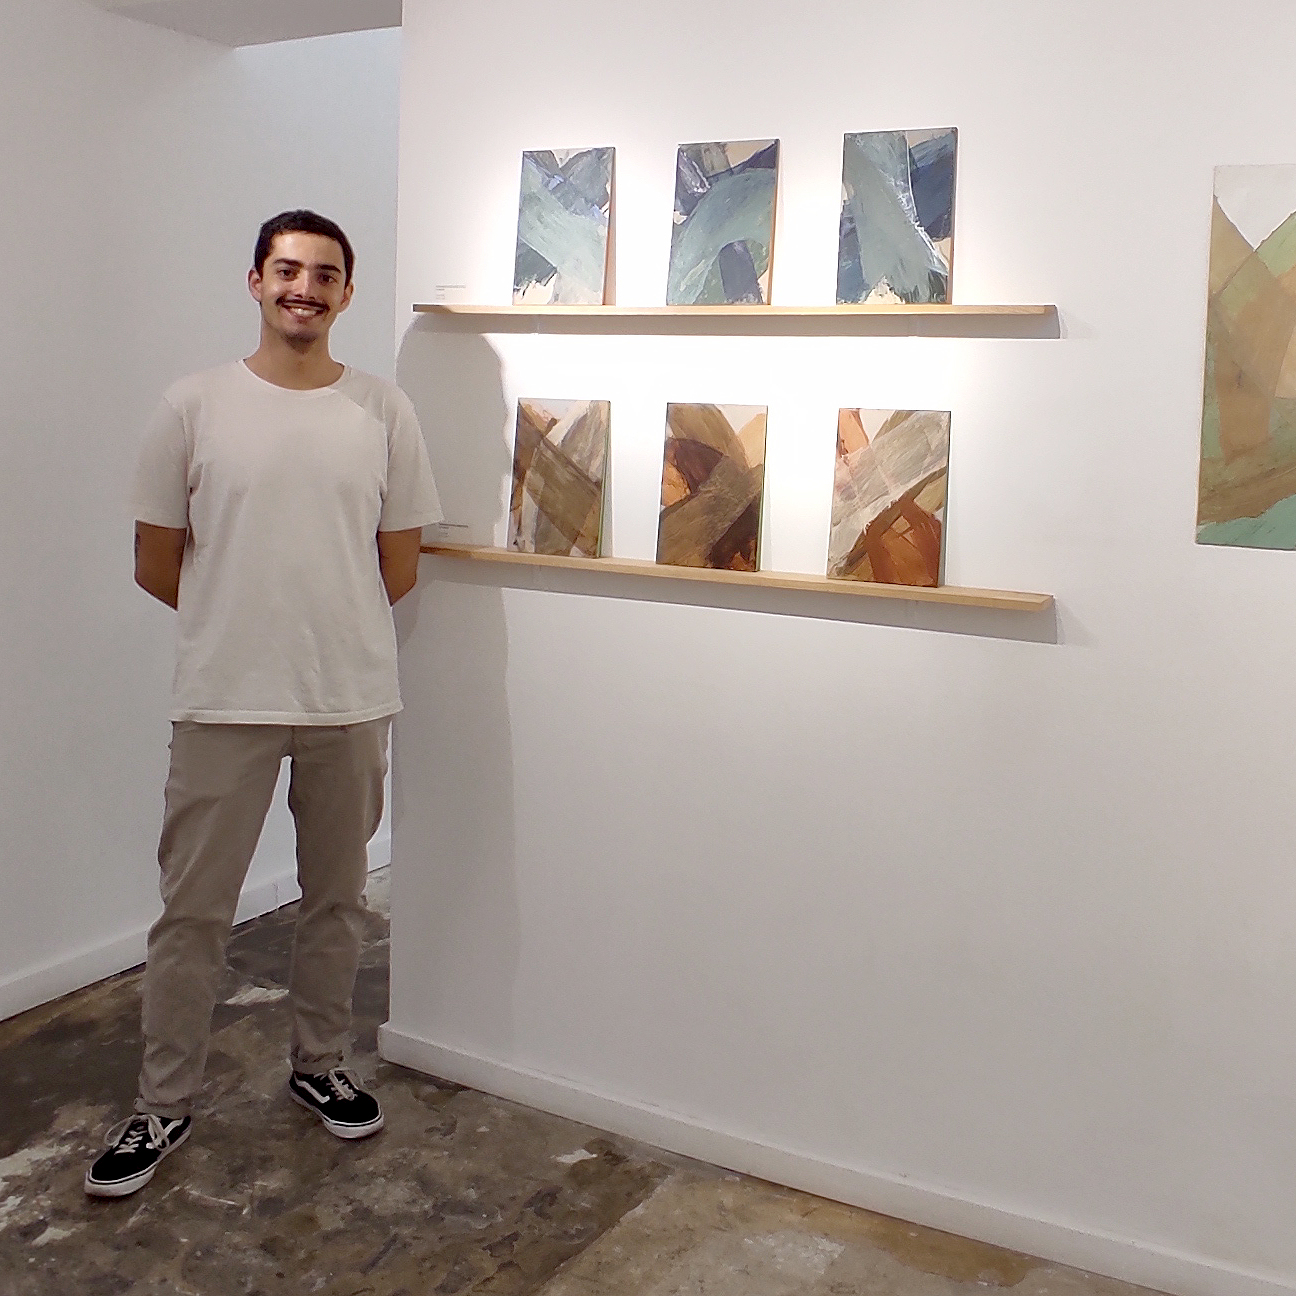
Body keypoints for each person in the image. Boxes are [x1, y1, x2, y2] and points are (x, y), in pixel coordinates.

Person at [85, 210, 442, 1198]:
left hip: (348, 698)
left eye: (325, 274)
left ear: (347, 294)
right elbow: (158, 561)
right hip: (222, 701)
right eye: (288, 269)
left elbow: (399, 563)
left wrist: (324, 625)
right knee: (193, 913)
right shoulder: (192, 406)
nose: (304, 288)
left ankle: (319, 1063)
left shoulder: (382, 412)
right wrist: (240, 624)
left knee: (336, 901)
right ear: (255, 281)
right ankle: (163, 1102)